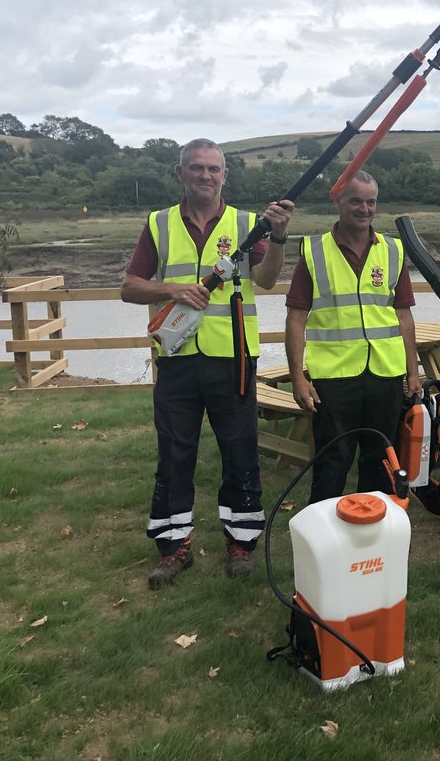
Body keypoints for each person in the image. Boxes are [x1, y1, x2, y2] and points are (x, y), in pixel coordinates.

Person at [122, 138, 294, 589]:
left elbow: (269, 280)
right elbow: (130, 287)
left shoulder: (246, 224)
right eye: (196, 168)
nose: (205, 175)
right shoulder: (159, 224)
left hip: (233, 358)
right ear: (179, 173)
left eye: (213, 168)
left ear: (224, 175)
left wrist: (277, 235)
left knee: (240, 451)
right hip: (176, 361)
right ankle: (173, 546)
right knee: (174, 453)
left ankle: (241, 542)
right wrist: (173, 290)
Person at [284, 171, 422, 504]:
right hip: (334, 376)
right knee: (334, 458)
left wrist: (413, 372)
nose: (364, 209)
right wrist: (298, 380)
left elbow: (403, 315)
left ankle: (372, 527)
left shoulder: (392, 251)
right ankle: (322, 532)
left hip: (386, 373)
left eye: (371, 202)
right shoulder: (315, 253)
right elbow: (296, 318)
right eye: (356, 201)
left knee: (380, 456)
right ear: (339, 202)